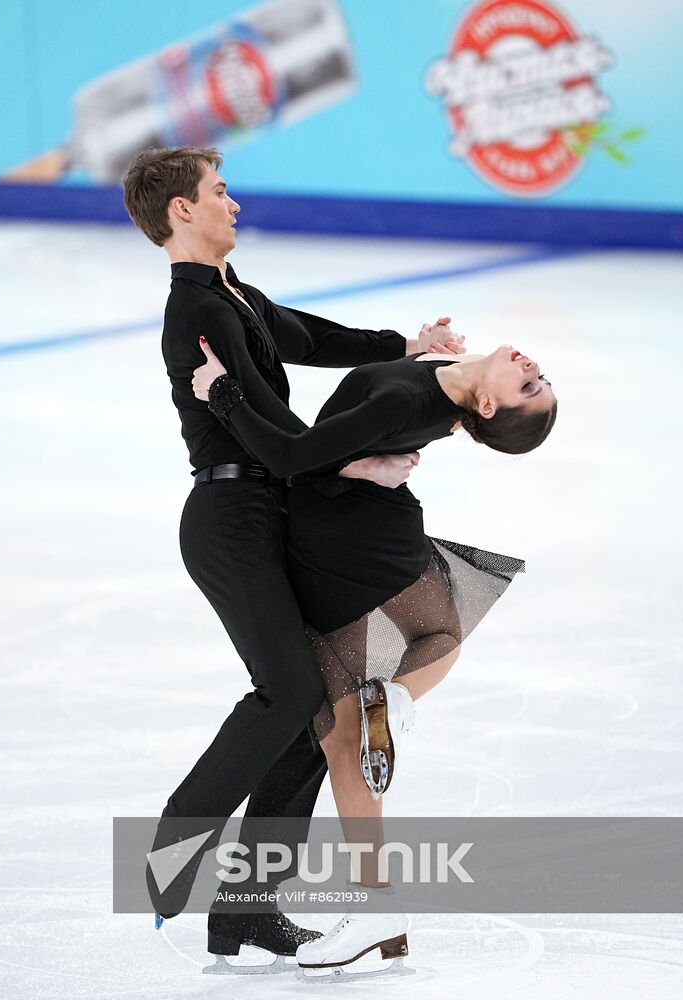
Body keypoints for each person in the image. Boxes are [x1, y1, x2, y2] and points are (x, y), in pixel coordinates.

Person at [121, 145, 463, 967]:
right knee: (287, 693)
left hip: (272, 512)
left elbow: (307, 335)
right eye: (218, 191)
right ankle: (179, 837)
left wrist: (401, 347)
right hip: (232, 517)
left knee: (315, 716)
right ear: (180, 211)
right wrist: (352, 453)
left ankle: (245, 908)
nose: (231, 203)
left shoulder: (231, 293)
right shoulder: (192, 311)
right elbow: (273, 449)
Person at [191, 337, 557, 973]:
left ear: (490, 407)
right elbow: (361, 425)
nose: (531, 368)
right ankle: (268, 900)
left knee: (342, 733)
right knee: (347, 722)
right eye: (539, 376)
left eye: (530, 386)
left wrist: (223, 395)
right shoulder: (440, 381)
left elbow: (289, 455)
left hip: (348, 549)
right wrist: (415, 350)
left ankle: (369, 899)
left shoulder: (410, 398)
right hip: (362, 538)